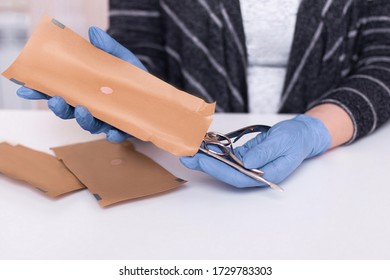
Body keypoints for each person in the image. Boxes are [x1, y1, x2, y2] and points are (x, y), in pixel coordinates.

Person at [16, 0, 390, 188]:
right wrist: (133, 92)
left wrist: (314, 131)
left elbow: (384, 56)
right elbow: (142, 38)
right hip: (185, 176)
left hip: (341, 164)